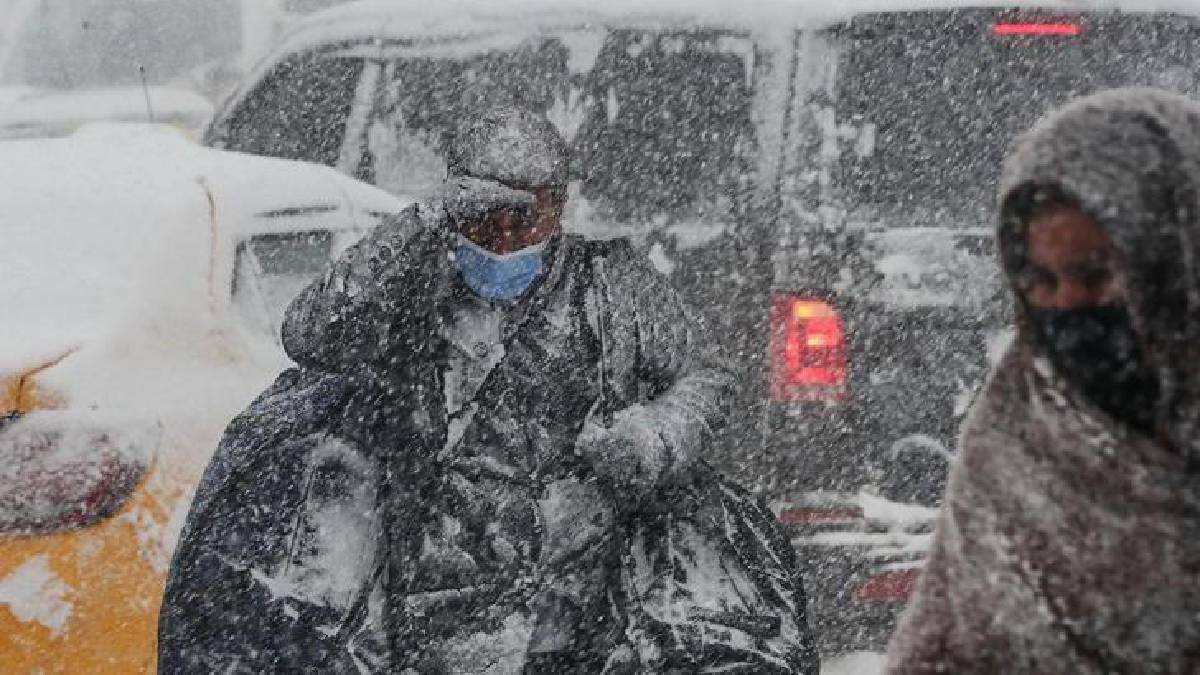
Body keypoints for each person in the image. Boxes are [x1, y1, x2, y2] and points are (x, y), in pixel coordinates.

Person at [159, 108, 818, 673]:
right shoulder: (414, 280)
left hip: (577, 599)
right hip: (429, 592)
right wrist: (422, 221)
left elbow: (706, 373)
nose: (501, 238)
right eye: (481, 218)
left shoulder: (614, 288)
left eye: (521, 217)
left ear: (558, 205)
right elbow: (310, 333)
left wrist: (654, 436)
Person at [887, 88, 1200, 673]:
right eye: (1041, 280)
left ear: (1174, 263)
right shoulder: (1013, 443)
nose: (1070, 305)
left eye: (1096, 274)